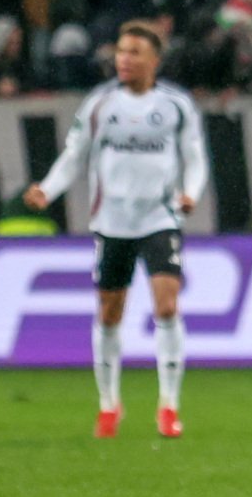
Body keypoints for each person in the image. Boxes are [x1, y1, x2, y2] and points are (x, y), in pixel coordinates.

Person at [24, 23, 208, 438]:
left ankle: (169, 407)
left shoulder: (176, 105)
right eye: (121, 51)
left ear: (154, 61)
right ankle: (109, 404)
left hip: (160, 218)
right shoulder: (101, 103)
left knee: (166, 305)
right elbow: (75, 155)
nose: (124, 59)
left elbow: (195, 157)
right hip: (112, 222)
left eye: (134, 52)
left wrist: (191, 193)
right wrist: (48, 190)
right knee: (110, 312)